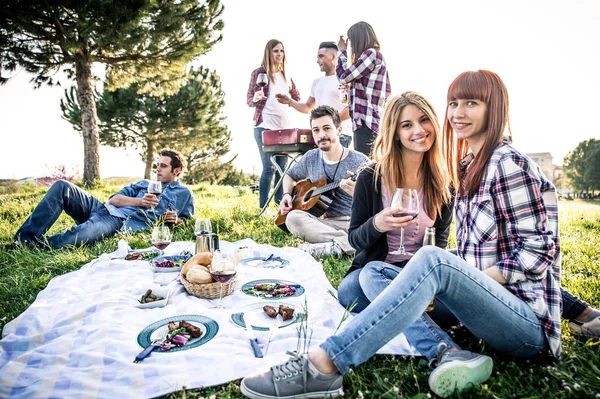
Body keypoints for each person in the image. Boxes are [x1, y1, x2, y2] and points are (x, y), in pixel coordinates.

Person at [240, 70, 562, 398]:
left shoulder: (503, 163)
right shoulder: (468, 166)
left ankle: (324, 364)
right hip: (447, 297)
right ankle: (448, 349)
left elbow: (540, 248)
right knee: (372, 273)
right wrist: (383, 227)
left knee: (431, 261)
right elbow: (470, 252)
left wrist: (461, 278)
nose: (459, 112)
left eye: (472, 103)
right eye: (453, 103)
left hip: (523, 326)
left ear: (494, 108)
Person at [10, 149, 194, 249]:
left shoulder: (184, 193)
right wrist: (139, 201)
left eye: (163, 166)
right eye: (157, 165)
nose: (157, 169)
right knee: (62, 186)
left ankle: (33, 246)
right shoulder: (144, 183)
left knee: (77, 237)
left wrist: (177, 220)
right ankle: (23, 239)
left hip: (117, 222)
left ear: (176, 170)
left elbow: (187, 219)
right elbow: (113, 199)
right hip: (103, 209)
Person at [279, 105, 368, 258]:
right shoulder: (310, 157)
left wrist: (357, 192)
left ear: (339, 130)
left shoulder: (360, 160)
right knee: (293, 218)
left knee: (375, 230)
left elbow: (377, 200)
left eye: (327, 128)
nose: (321, 135)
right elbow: (290, 176)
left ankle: (335, 246)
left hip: (354, 222)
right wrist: (287, 194)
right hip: (324, 224)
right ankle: (350, 243)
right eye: (316, 130)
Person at [247, 39, 301, 209]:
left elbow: (297, 97)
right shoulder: (259, 73)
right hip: (264, 126)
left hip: (283, 129)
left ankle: (280, 206)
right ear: (268, 53)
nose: (279, 54)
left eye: (281, 51)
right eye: (276, 51)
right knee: (269, 167)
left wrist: (289, 99)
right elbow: (249, 99)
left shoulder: (287, 75)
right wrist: (255, 99)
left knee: (283, 170)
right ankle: (263, 207)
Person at [275, 42, 353, 148]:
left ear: (333, 56)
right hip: (320, 136)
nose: (317, 61)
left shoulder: (344, 80)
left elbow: (350, 109)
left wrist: (328, 121)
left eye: (321, 56)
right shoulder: (317, 82)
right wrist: (290, 102)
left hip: (341, 134)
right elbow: (308, 107)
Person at [336, 21, 391, 156]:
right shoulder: (369, 57)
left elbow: (343, 76)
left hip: (369, 120)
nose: (350, 45)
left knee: (367, 166)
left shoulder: (372, 54)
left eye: (351, 40)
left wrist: (342, 52)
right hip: (364, 120)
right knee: (367, 165)